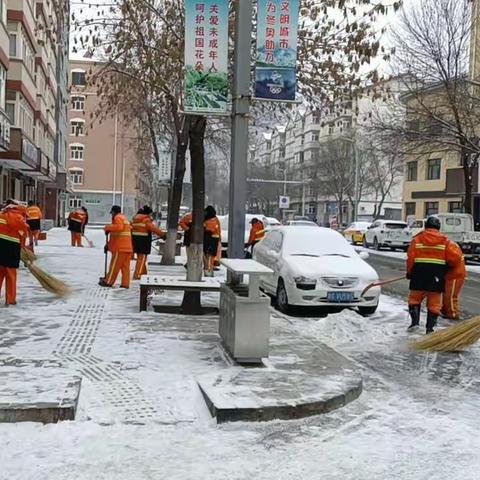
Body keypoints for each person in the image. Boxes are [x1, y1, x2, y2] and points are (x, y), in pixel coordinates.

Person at [406, 216, 463, 334]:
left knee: (414, 300)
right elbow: (455, 259)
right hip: (436, 276)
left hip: (418, 275)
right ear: (438, 227)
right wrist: (446, 266)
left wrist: (409, 272)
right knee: (434, 303)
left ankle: (414, 324)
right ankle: (429, 329)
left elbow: (410, 258)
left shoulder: (416, 240)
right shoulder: (446, 241)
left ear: (426, 226)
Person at [0, 201, 29, 306]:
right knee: (11, 276)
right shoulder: (20, 220)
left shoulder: (1, 215)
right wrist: (22, 249)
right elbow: (23, 237)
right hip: (11, 251)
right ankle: (10, 299)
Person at [99, 205, 133, 288]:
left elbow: (119, 228)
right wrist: (108, 245)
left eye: (112, 213)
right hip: (127, 247)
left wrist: (107, 227)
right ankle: (125, 284)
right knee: (125, 267)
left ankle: (108, 281)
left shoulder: (117, 218)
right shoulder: (124, 218)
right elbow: (116, 235)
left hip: (120, 248)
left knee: (114, 266)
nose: (112, 215)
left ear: (114, 212)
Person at [131, 205, 165, 280]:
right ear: (147, 213)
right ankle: (138, 275)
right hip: (144, 241)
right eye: (150, 214)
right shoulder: (145, 220)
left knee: (140, 258)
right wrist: (163, 235)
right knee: (142, 259)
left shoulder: (135, 219)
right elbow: (153, 229)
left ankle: (143, 273)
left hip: (135, 241)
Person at [442, 246, 466, 320]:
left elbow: (454, 260)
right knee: (446, 294)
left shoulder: (449, 246)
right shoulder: (447, 245)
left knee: (450, 295)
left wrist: (444, 266)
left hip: (455, 274)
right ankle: (446, 311)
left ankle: (453, 314)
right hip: (450, 274)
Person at [203, 205, 220, 277]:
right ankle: (209, 269)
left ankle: (208, 270)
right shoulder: (215, 219)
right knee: (210, 255)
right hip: (214, 239)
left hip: (210, 239)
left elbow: (210, 229)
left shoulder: (211, 220)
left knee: (208, 254)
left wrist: (203, 226)